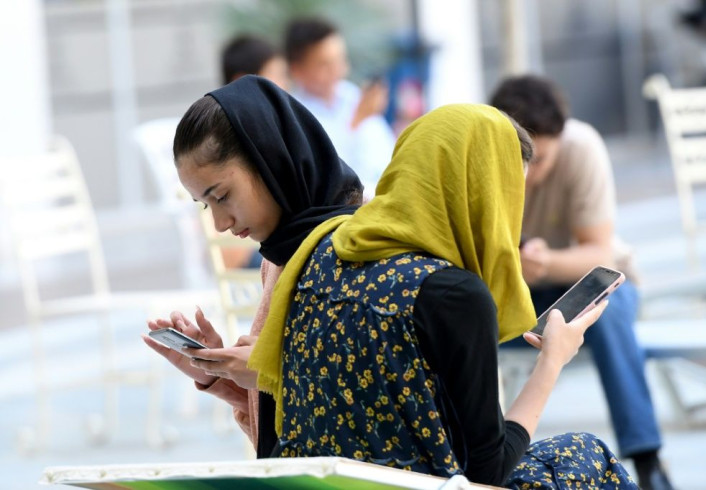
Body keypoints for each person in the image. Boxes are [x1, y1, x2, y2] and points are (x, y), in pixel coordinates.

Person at [145, 75, 636, 488]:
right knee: (585, 456)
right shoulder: (452, 294)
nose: (220, 224)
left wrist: (224, 376)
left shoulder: (304, 260)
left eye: (221, 197)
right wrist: (552, 360)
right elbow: (485, 474)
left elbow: (298, 432)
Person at [490, 74, 674, 490]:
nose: (530, 173)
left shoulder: (580, 147)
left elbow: (599, 254)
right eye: (524, 158)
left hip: (587, 283)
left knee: (606, 310)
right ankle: (481, 455)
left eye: (541, 160)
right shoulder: (485, 156)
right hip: (516, 295)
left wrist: (545, 262)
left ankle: (647, 460)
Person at [284, 17, 395, 196]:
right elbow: (328, 180)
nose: (338, 70)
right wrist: (357, 122)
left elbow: (385, 152)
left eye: (340, 60)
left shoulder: (351, 95)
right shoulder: (294, 116)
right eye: (325, 64)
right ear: (297, 70)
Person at [218, 34, 289, 269]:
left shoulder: (279, 133)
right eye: (277, 75)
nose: (284, 85)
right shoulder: (223, 145)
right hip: (252, 258)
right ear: (244, 82)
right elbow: (228, 253)